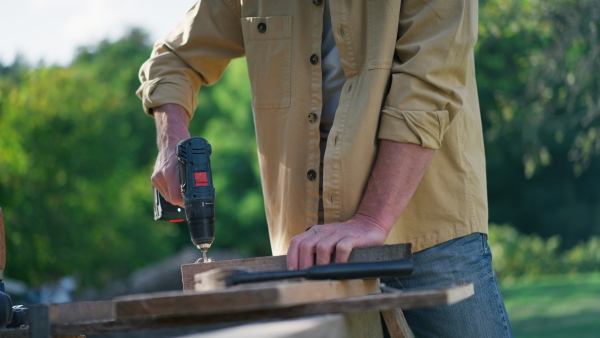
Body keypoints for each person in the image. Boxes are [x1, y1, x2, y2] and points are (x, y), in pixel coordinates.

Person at [137, 0, 513, 336]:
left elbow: (430, 85)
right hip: (307, 252)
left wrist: (371, 219)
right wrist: (171, 141)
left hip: (429, 236)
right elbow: (173, 58)